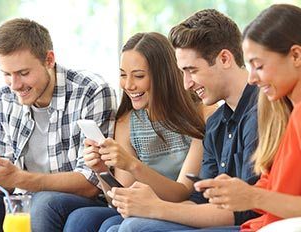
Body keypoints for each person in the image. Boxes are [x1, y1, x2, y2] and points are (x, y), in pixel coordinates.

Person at [107, 9, 260, 232]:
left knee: (134, 228)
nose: (186, 83)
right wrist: (151, 207)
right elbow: (198, 200)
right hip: (219, 219)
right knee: (121, 227)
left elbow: (245, 210)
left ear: (224, 58)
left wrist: (156, 208)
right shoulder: (216, 122)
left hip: (250, 224)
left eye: (192, 70)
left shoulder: (261, 113)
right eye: (182, 72)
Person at [0, 18, 117, 232]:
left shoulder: (91, 92)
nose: (15, 85)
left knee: (43, 203)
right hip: (26, 200)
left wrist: (20, 178)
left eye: (23, 73)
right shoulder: (3, 100)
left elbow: (90, 183)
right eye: (7, 74)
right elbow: (7, 186)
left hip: (80, 202)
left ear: (49, 59)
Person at [63, 32, 208, 232]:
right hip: (140, 209)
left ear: (164, 76)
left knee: (113, 226)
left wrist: (132, 164)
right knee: (81, 219)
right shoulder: (127, 122)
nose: (129, 85)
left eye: (139, 76)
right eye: (123, 74)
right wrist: (102, 170)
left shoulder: (200, 115)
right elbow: (119, 201)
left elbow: (182, 193)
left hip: (181, 208)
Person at [196, 4, 301, 231]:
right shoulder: (286, 115)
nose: (252, 79)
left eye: (259, 66)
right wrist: (236, 192)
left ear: (296, 55)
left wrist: (252, 196)